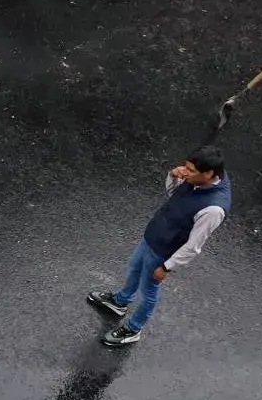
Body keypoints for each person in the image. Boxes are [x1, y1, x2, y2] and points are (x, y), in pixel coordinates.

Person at [88, 147, 230, 346]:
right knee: (134, 267)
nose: (185, 172)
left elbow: (193, 246)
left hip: (163, 253)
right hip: (154, 236)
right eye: (185, 167)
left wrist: (167, 267)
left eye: (190, 170)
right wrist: (172, 176)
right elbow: (174, 194)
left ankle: (133, 329)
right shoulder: (200, 178)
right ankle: (120, 301)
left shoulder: (213, 209)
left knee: (149, 292)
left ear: (208, 174)